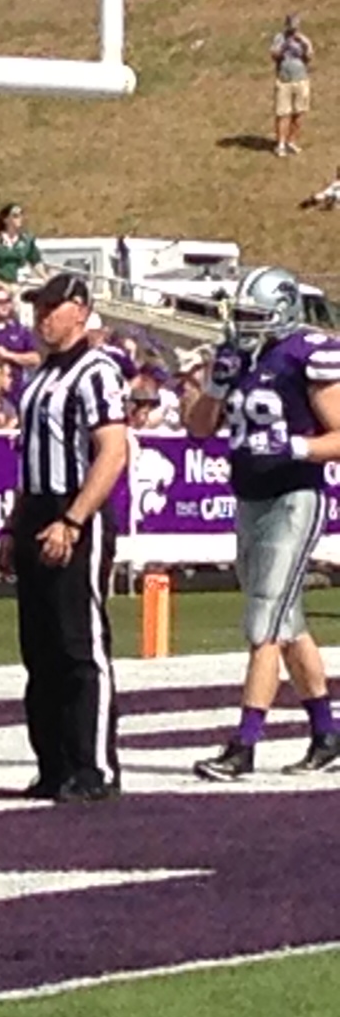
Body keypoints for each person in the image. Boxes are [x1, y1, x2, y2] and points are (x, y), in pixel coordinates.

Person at [185, 267, 340, 779]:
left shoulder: (305, 353)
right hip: (249, 498)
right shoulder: (241, 356)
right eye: (242, 315)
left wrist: (294, 445)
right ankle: (326, 734)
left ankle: (245, 744)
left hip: (295, 497)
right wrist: (214, 384)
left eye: (256, 316)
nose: (246, 325)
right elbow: (198, 429)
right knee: (286, 624)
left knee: (263, 624)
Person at [1, 272, 128, 804]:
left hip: (75, 508)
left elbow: (113, 451)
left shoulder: (96, 371)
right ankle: (53, 763)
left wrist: (74, 519)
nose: (42, 317)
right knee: (41, 647)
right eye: (38, 308)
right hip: (36, 509)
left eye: (51, 307)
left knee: (80, 643)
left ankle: (94, 764)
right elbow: (28, 461)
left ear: (79, 309)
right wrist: (14, 527)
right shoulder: (39, 379)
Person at [271, 13, 315, 158]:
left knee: (299, 112)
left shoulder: (304, 40)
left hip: (301, 79)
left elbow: (309, 57)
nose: (293, 29)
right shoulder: (279, 38)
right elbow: (274, 56)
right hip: (284, 80)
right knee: (283, 113)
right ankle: (281, 144)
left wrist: (302, 44)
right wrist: (284, 46)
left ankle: (292, 141)